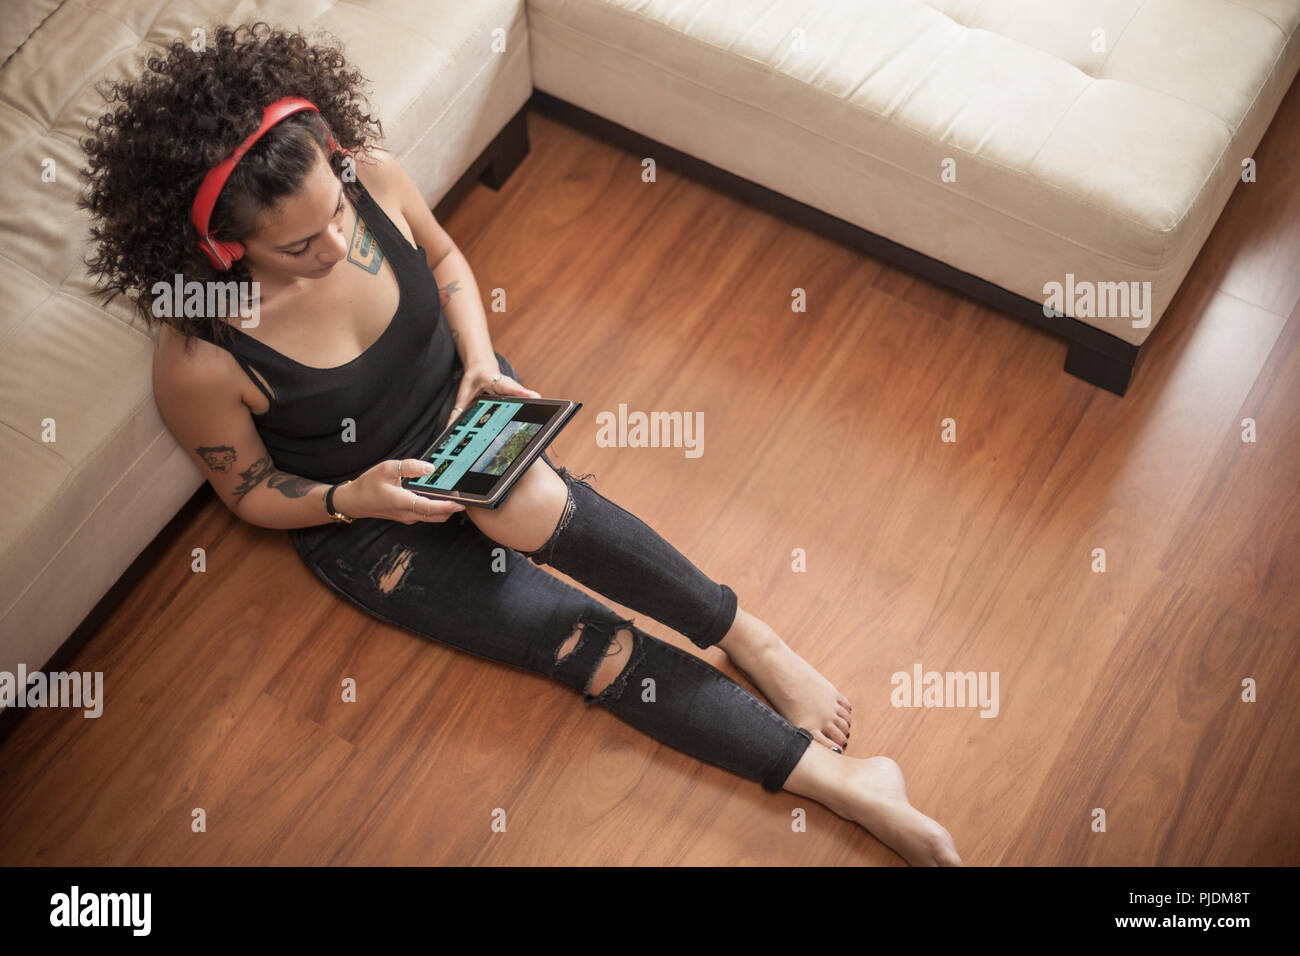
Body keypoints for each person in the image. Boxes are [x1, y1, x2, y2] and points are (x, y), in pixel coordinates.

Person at [78, 21, 960, 866]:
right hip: (369, 518)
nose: (339, 244)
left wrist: (478, 364)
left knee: (531, 504)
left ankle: (747, 634)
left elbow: (449, 265)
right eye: (300, 245)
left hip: (467, 405)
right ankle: (846, 786)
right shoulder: (201, 354)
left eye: (338, 206)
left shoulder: (372, 178)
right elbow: (249, 489)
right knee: (589, 652)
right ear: (223, 249)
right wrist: (356, 498)